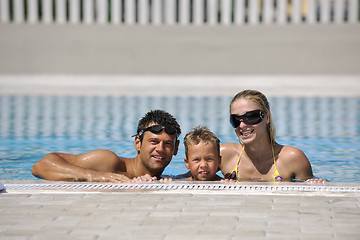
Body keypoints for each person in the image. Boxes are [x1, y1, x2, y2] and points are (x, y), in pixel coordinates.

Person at [32, 109, 181, 183]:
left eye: (168, 144)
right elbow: (41, 166)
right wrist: (96, 176)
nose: (160, 149)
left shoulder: (165, 179)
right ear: (138, 143)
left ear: (175, 149)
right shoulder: (109, 162)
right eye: (154, 142)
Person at [220, 89, 326, 183]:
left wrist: (317, 183)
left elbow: (308, 197)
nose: (242, 125)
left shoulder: (292, 158)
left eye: (251, 117)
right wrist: (218, 180)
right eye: (236, 120)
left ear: (267, 117)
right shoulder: (224, 155)